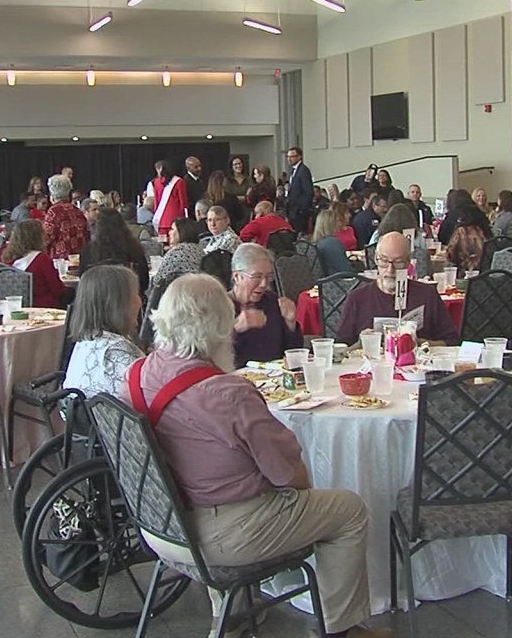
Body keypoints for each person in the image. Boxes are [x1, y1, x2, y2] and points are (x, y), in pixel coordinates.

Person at [121, 273, 382, 638]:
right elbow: (288, 474)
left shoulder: (134, 375)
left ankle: (232, 614)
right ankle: (342, 629)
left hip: (160, 526)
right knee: (348, 510)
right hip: (221, 538)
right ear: (219, 327)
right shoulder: (227, 392)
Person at [338, 232, 459, 346]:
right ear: (376, 260)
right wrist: (361, 343)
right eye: (384, 261)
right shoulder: (357, 298)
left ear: (408, 263)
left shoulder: (427, 294)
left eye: (398, 262)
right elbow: (341, 348)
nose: (390, 270)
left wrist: (421, 343)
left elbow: (451, 341)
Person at [63, 265, 144, 396]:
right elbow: (150, 396)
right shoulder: (118, 350)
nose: (140, 302)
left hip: (79, 414)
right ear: (119, 305)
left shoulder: (87, 340)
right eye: (136, 295)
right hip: (109, 416)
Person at [229, 244, 303, 367]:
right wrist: (235, 330)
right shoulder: (220, 307)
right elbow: (210, 358)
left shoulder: (272, 302)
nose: (264, 284)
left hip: (276, 380)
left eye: (268, 276)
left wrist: (291, 324)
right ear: (237, 276)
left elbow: (293, 353)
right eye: (257, 276)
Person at [0, 220, 74, 309]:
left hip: (16, 306)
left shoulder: (7, 258)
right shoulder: (41, 259)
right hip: (44, 307)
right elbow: (58, 289)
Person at [79, 209, 150, 296]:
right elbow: (144, 282)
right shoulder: (134, 249)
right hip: (128, 299)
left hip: (97, 299)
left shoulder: (88, 251)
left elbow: (83, 279)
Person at [43, 173, 90, 260]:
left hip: (61, 260)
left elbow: (46, 238)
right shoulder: (77, 210)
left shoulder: (53, 212)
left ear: (52, 194)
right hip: (80, 258)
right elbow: (87, 234)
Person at [146, 160, 188, 238]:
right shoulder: (180, 182)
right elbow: (183, 202)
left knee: (163, 244)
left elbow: (157, 202)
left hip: (161, 220)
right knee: (175, 243)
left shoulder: (157, 182)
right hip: (176, 220)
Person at [444, 205, 488, 272]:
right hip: (483, 271)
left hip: (464, 270)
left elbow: (450, 254)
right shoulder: (483, 231)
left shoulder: (461, 231)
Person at [312, 208, 354, 276]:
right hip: (338, 282)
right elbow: (345, 270)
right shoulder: (332, 243)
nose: (340, 223)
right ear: (331, 224)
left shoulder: (317, 242)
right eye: (337, 221)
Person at [285, 146, 314, 235]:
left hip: (299, 212)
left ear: (299, 156)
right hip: (292, 209)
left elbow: (308, 192)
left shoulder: (303, 171)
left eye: (292, 157)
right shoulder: (292, 170)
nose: (289, 159)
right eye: (288, 157)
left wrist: (301, 209)